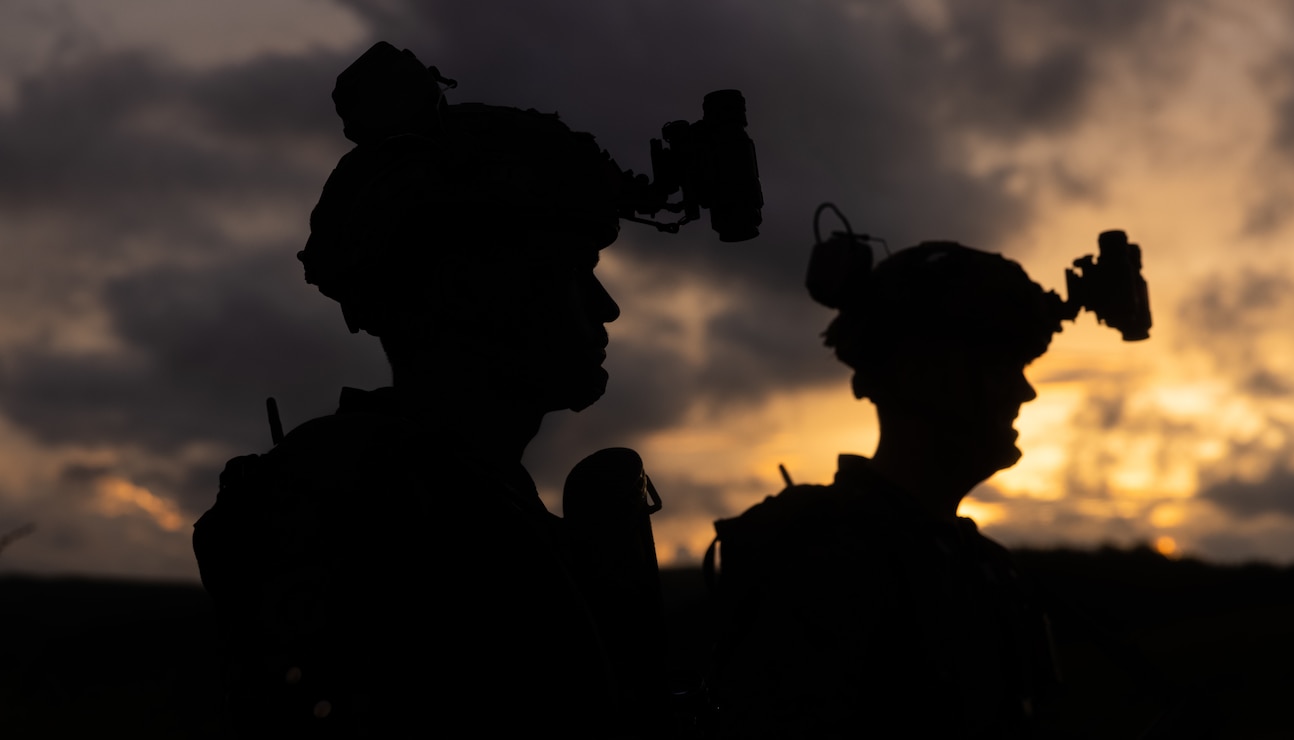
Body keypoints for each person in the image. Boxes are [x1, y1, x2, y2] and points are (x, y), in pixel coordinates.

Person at [193, 42, 666, 737]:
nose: (607, 308)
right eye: (572, 270)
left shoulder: (461, 493)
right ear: (464, 291)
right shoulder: (368, 507)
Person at [705, 237, 1066, 738]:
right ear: (922, 374)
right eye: (1001, 367)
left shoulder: (982, 566)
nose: (1025, 392)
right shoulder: (824, 560)